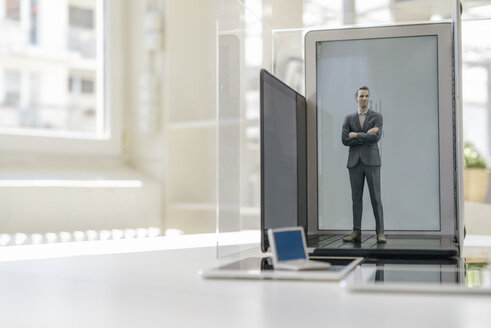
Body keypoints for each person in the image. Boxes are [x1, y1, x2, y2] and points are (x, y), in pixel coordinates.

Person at [341, 86, 386, 244]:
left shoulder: (377, 117)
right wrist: (366, 135)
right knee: (356, 199)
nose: (364, 98)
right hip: (354, 163)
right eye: (361, 96)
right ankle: (356, 231)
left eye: (367, 96)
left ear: (369, 98)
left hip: (372, 162)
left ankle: (380, 232)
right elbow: (345, 140)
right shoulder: (348, 118)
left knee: (376, 198)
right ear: (356, 98)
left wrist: (356, 135)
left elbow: (376, 138)